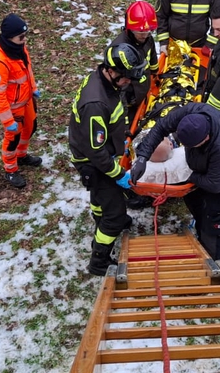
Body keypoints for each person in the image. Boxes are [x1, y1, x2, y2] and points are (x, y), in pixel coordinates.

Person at [130, 102, 220, 261]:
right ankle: (200, 226)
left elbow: (215, 184)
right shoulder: (191, 112)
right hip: (200, 170)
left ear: (206, 138)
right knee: (195, 203)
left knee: (213, 219)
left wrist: (189, 176)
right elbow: (160, 128)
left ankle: (210, 259)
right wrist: (142, 157)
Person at [69, 42, 146, 275]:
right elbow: (96, 152)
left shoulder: (104, 83)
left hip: (99, 152)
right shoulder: (95, 103)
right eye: (126, 78)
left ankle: (99, 217)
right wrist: (119, 175)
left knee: (100, 196)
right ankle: (99, 260)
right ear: (112, 71)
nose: (129, 82)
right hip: (94, 162)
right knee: (115, 214)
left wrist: (119, 139)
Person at [0, 14, 41, 189]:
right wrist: (8, 121)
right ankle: (10, 169)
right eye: (21, 37)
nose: (25, 40)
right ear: (10, 38)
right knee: (13, 139)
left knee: (31, 128)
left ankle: (22, 155)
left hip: (26, 101)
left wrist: (33, 88)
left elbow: (27, 70)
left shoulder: (19, 48)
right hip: (13, 109)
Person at [110, 0, 160, 113]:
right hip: (130, 97)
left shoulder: (148, 39)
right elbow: (116, 85)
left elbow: (152, 56)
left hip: (143, 88)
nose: (144, 35)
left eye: (148, 31)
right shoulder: (119, 50)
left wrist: (155, 72)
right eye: (140, 32)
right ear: (130, 28)